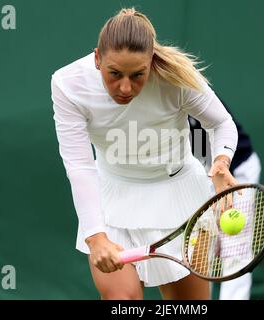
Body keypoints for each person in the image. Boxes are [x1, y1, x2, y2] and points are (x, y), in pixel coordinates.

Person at [51, 8, 239, 300]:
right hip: (112, 202)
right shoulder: (69, 85)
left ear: (151, 62)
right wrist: (96, 237)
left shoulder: (176, 78)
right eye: (114, 74)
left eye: (138, 75)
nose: (125, 87)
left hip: (181, 197)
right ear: (97, 58)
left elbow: (221, 123)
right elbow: (79, 166)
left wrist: (220, 163)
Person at [189, 95, 261, 300]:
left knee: (234, 250)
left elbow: (207, 143)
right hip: (201, 175)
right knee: (200, 256)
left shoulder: (191, 93)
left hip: (236, 172)